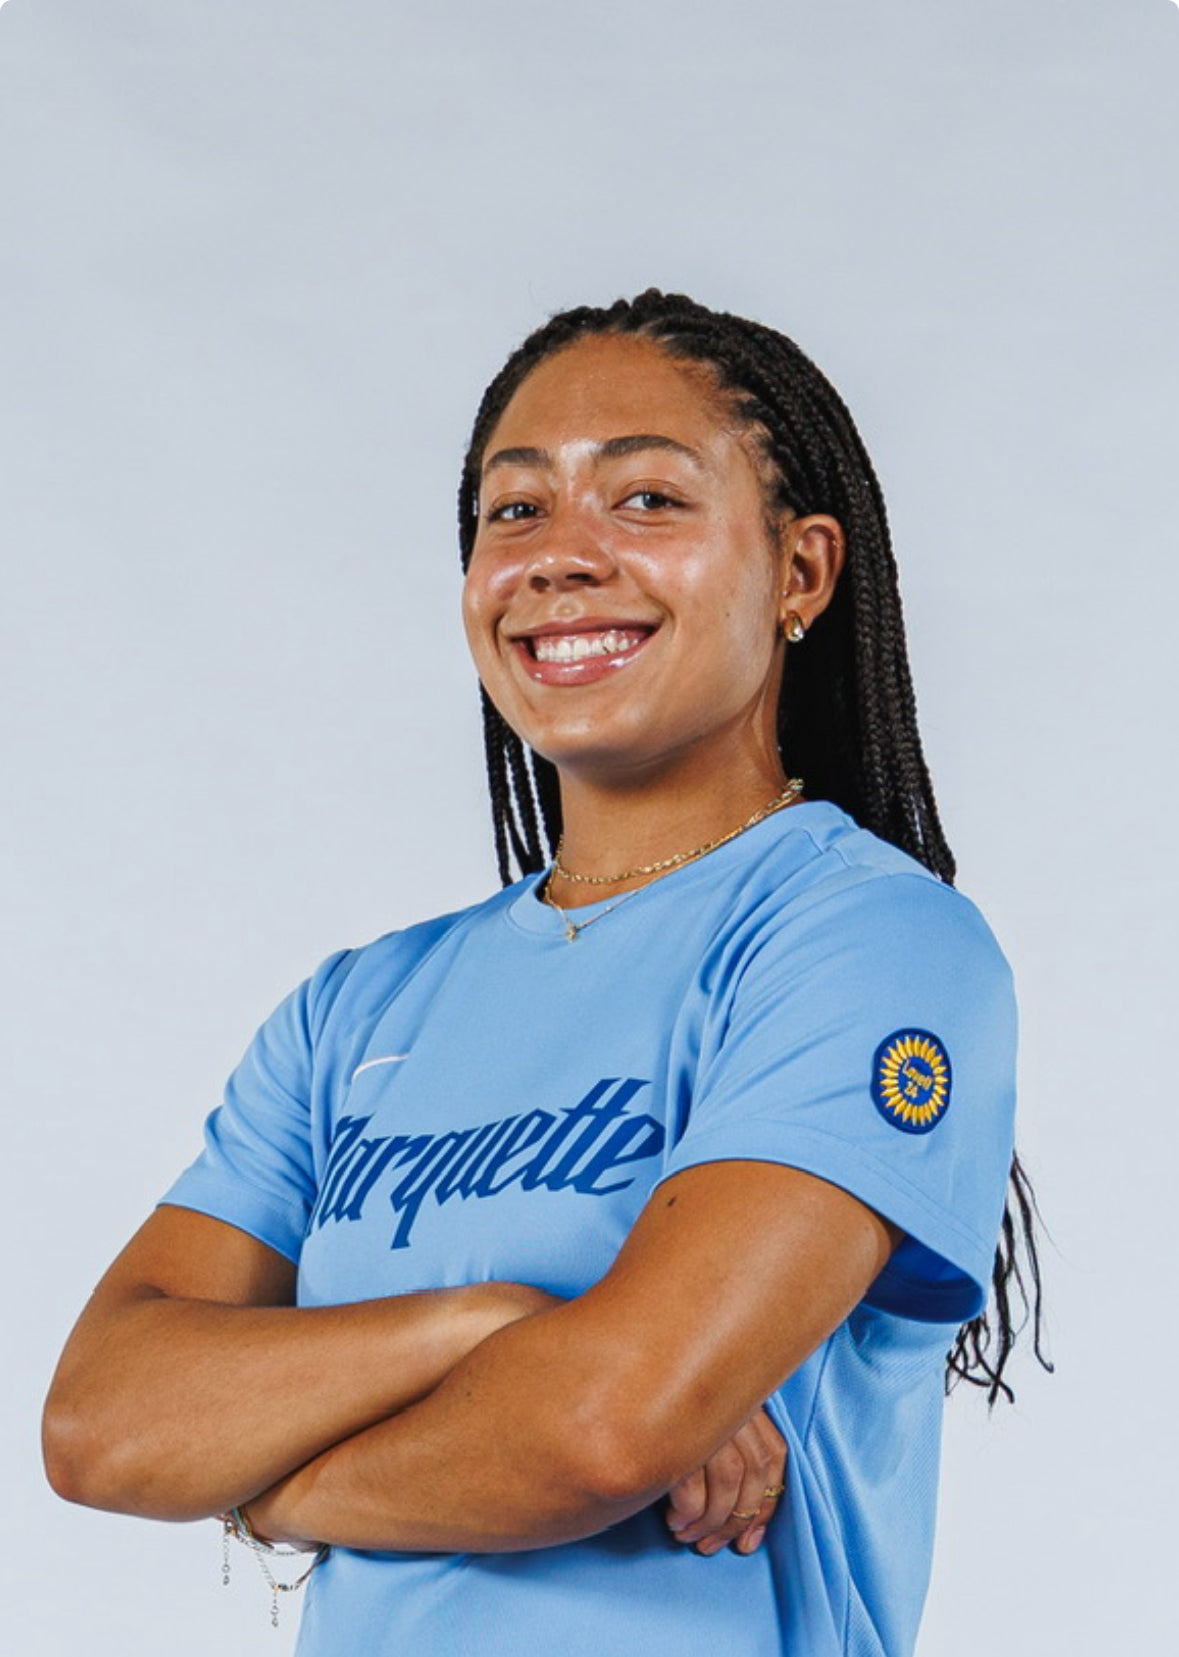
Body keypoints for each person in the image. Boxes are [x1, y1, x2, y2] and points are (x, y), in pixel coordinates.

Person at [42, 289, 1049, 1656]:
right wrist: (483, 1323)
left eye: (647, 500)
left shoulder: (862, 939)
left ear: (801, 572)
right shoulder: (358, 1009)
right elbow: (100, 1421)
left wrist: (265, 1487)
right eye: (515, 510)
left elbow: (604, 1429)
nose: (562, 557)